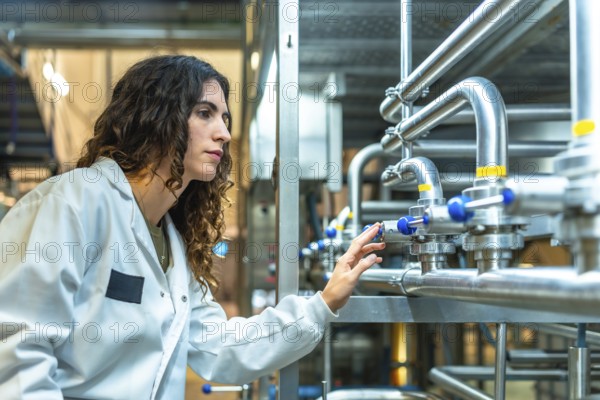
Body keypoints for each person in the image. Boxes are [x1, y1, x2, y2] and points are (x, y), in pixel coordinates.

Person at [0, 55, 385, 399]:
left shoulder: (172, 242)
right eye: (205, 113)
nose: (223, 133)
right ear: (155, 117)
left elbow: (218, 347)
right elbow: (17, 351)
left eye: (225, 118)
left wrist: (323, 304)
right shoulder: (72, 202)